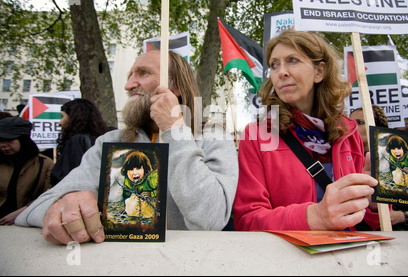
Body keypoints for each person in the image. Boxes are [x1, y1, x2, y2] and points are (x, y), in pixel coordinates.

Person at [15, 50, 238, 244]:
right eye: (130, 75)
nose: (128, 85)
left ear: (176, 86)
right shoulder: (109, 141)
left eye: (142, 73)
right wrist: (66, 204)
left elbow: (211, 220)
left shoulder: (213, 139)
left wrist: (174, 129)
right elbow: (35, 210)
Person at [233, 30, 380, 231]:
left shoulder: (348, 132)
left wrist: (371, 205)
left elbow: (363, 223)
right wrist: (314, 217)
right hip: (291, 259)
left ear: (319, 72)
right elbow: (247, 221)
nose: (281, 72)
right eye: (274, 64)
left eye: (292, 60)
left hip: (349, 257)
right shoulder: (258, 135)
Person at [0, 117, 54, 225]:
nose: (3, 145)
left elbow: (49, 196)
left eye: (9, 140)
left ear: (23, 140)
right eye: (0, 140)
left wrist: (22, 211)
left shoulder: (45, 164)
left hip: (26, 222)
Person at [50, 98, 109, 186]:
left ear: (74, 118)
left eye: (62, 117)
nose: (59, 123)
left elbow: (69, 178)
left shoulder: (77, 141)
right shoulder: (102, 139)